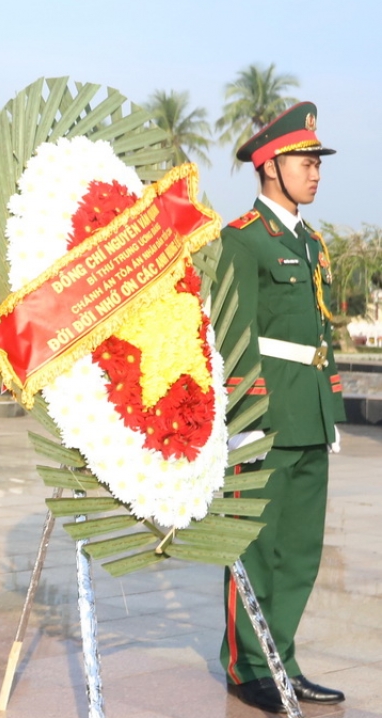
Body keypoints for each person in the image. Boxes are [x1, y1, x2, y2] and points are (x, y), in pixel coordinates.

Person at [217, 103, 345, 711]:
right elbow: (232, 332)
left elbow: (321, 331)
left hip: (309, 412)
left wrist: (331, 408)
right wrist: (242, 417)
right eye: (304, 161)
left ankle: (282, 659)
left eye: (317, 162)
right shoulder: (244, 239)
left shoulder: (312, 243)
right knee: (255, 544)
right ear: (269, 166)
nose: (315, 172)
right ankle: (247, 667)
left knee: (299, 548)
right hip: (265, 416)